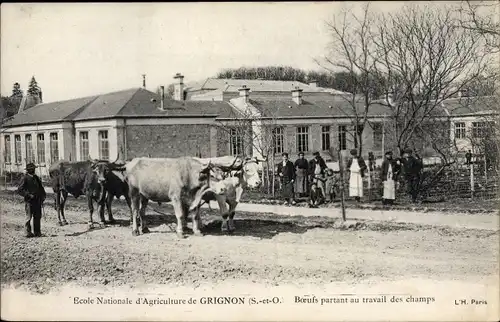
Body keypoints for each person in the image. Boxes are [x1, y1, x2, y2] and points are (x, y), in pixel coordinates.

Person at [17, 163, 46, 238]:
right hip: (29, 201)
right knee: (29, 217)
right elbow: (20, 189)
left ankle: (37, 232)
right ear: (28, 170)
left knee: (37, 216)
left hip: (37, 200)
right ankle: (27, 232)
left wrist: (43, 196)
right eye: (31, 169)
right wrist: (28, 195)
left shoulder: (36, 178)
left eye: (34, 169)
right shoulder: (25, 178)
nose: (33, 170)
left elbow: (41, 188)